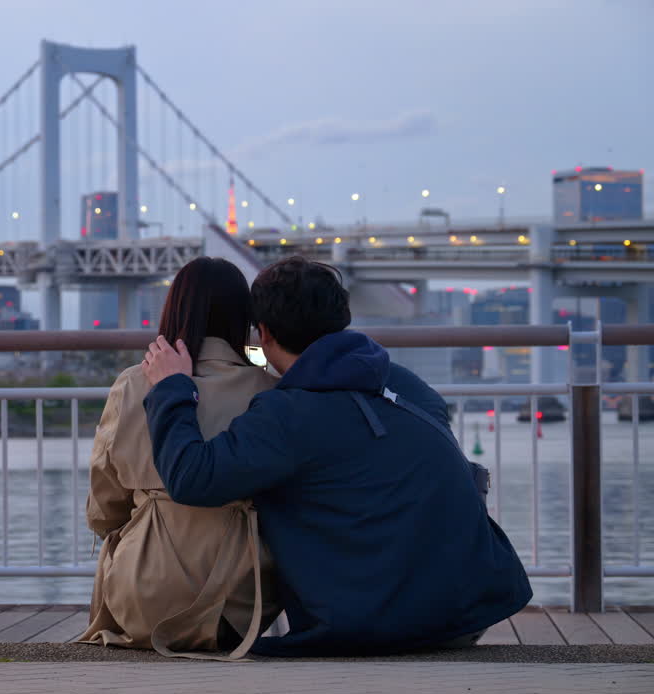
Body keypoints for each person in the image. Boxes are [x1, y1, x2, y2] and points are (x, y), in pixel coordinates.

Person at [141, 256, 531, 657]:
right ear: (340, 318)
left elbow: (191, 477)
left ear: (265, 334)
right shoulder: (407, 386)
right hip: (468, 613)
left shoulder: (288, 414)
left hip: (374, 627)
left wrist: (172, 388)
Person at [77, 257, 281, 660]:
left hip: (142, 599)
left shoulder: (133, 384)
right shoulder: (272, 391)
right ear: (245, 315)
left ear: (172, 310)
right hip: (244, 606)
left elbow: (104, 506)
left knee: (120, 535)